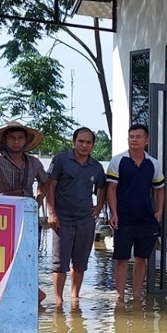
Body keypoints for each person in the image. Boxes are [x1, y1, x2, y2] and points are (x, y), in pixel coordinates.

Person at [44, 127, 107, 307]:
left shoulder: (96, 166)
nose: (84, 145)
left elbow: (102, 187)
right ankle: (58, 299)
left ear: (93, 145)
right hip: (62, 219)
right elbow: (51, 186)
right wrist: (51, 212)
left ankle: (74, 296)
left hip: (85, 220)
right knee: (59, 263)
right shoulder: (61, 160)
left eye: (88, 142)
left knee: (80, 262)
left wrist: (99, 206)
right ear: (74, 142)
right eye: (81, 141)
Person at [105, 124, 166, 301]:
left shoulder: (153, 163)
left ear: (147, 140)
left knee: (141, 259)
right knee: (121, 258)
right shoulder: (118, 161)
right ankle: (120, 296)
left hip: (146, 219)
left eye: (138, 137)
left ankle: (137, 294)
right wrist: (114, 213)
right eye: (131, 136)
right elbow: (111, 190)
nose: (134, 140)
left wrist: (160, 210)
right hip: (124, 218)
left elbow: (160, 188)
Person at [0, 118, 48, 202]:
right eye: (11, 138)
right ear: (5, 140)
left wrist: (38, 201)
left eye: (20, 138)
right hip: (1, 208)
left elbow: (45, 181)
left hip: (26, 208)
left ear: (26, 140)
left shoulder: (35, 162)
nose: (16, 141)